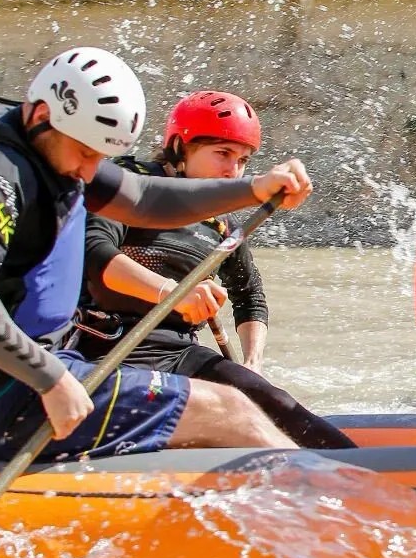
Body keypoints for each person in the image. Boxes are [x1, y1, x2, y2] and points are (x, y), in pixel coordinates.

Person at [0, 47, 312, 463]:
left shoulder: (50, 145)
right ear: (41, 116)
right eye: (88, 154)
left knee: (236, 408)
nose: (92, 172)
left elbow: (143, 196)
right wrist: (51, 378)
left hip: (52, 366)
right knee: (230, 410)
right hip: (12, 396)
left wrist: (255, 188)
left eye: (102, 157)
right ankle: (335, 503)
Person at [80, 91, 355, 450]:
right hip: (109, 350)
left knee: (276, 403)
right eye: (222, 154)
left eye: (242, 160)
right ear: (180, 148)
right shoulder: (130, 186)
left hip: (178, 352)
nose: (233, 170)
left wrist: (253, 362)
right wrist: (171, 293)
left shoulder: (221, 225)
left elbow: (249, 293)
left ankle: (358, 475)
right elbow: (95, 255)